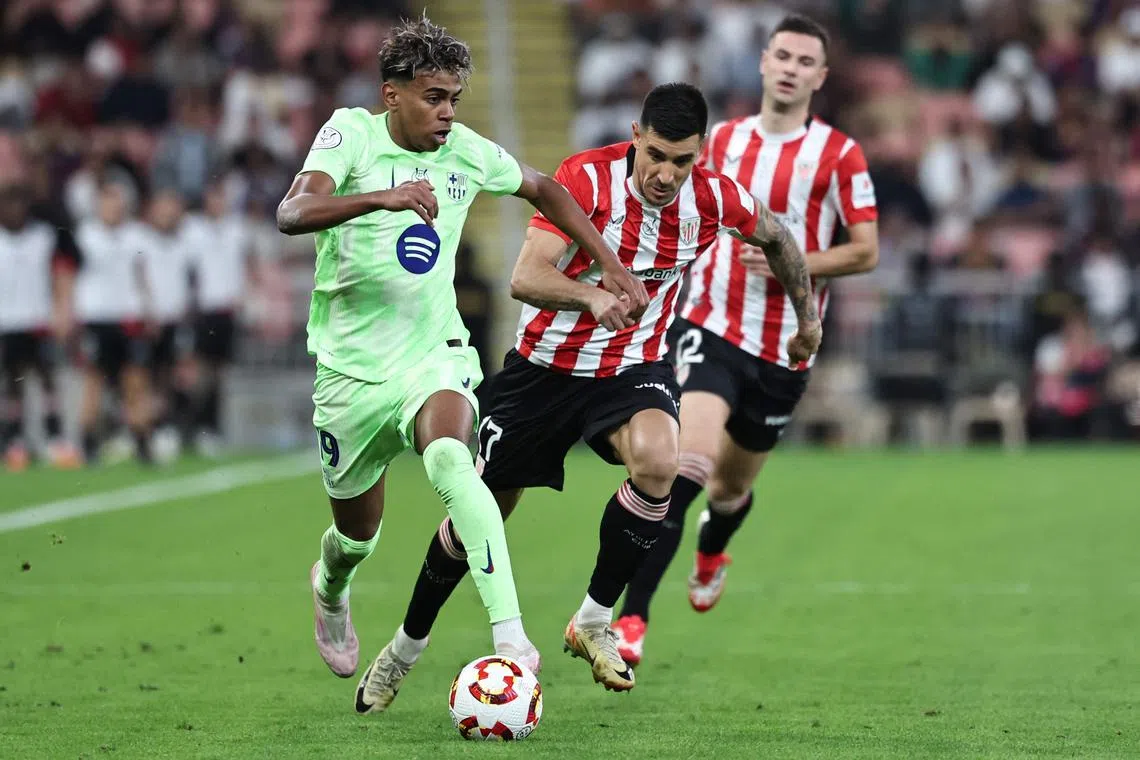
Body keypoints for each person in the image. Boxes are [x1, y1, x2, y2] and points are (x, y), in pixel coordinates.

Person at [363, 82, 821, 706]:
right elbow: (525, 277)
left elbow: (777, 238)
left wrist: (807, 322)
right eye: (655, 155)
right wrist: (592, 296)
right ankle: (405, 647)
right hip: (543, 370)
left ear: (701, 155)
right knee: (484, 511)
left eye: (681, 161)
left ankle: (594, 621)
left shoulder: (715, 200)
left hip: (631, 367)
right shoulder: (587, 179)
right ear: (636, 136)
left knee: (662, 463)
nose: (665, 174)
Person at [274, 16, 648, 713]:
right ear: (393, 95)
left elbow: (545, 190)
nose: (447, 112)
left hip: (432, 356)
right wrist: (380, 197)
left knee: (453, 460)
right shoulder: (351, 133)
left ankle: (513, 641)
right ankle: (331, 587)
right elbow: (293, 213)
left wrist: (608, 263)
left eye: (455, 97)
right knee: (356, 537)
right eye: (433, 96)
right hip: (350, 374)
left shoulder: (467, 153)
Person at [616, 14, 880, 665]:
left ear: (820, 76)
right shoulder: (723, 141)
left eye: (804, 61)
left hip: (786, 344)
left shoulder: (840, 155)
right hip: (709, 324)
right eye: (781, 55)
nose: (790, 68)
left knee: (729, 489)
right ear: (763, 62)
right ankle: (632, 618)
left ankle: (711, 548)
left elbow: (867, 251)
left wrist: (798, 259)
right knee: (690, 463)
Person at [0, 178, 82, 470]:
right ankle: (13, 442)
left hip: (38, 319)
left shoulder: (44, 237)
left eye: (20, 204)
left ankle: (55, 439)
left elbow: (61, 274)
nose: (15, 210)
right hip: (6, 321)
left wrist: (62, 310)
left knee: (47, 381)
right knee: (12, 384)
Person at [75, 180, 156, 465]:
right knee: (94, 382)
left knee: (135, 382)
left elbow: (143, 275)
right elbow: (69, 277)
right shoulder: (85, 236)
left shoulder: (136, 235)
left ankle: (142, 441)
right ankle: (87, 442)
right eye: (108, 202)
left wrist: (149, 309)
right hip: (97, 318)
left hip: (128, 318)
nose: (113, 208)